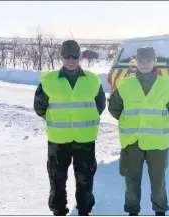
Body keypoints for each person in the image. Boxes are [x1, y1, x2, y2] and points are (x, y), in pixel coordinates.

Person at [34, 40, 106, 216]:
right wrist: (55, 119)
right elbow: (39, 106)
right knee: (57, 180)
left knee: (85, 179)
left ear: (80, 57)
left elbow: (100, 105)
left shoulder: (93, 80)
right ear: (61, 57)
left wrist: (84, 119)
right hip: (58, 140)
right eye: (67, 56)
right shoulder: (48, 80)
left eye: (74, 56)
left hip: (85, 139)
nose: (70, 60)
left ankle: (84, 210)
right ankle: (58, 211)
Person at [108, 46, 169, 216]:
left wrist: (157, 122)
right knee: (131, 181)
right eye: (140, 60)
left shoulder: (167, 86)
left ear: (155, 62)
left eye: (148, 60)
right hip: (132, 142)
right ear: (135, 62)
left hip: (157, 144)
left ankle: (160, 211)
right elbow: (114, 108)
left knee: (158, 181)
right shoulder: (125, 85)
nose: (144, 63)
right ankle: (132, 212)